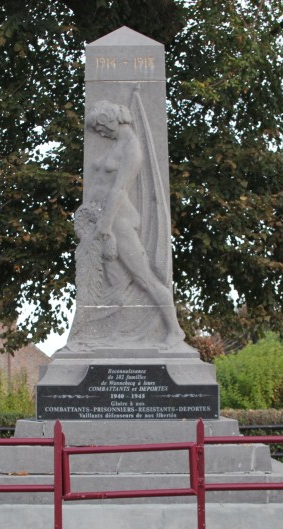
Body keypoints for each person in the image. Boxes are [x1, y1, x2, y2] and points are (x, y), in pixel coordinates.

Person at [71, 98, 185, 348]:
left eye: (100, 128)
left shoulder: (132, 148)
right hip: (100, 220)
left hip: (116, 223)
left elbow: (120, 190)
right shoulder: (117, 145)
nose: (99, 133)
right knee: (113, 282)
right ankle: (114, 334)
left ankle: (174, 331)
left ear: (111, 121)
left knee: (144, 278)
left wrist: (105, 226)